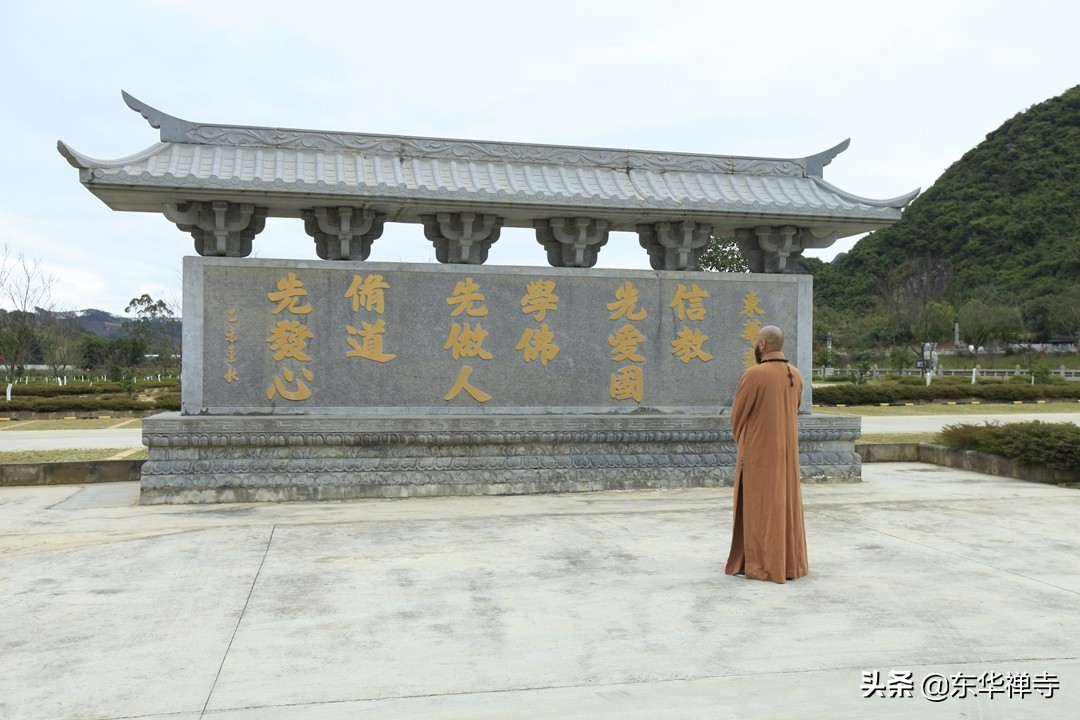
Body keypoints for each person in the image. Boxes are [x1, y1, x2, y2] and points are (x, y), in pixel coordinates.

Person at [725, 325, 808, 583]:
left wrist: (746, 441)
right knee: (783, 505)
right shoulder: (795, 374)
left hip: (759, 455)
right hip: (786, 455)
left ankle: (763, 564)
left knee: (759, 507)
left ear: (762, 345)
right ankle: (788, 564)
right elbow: (793, 410)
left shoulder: (755, 375)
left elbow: (736, 417)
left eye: (754, 343)